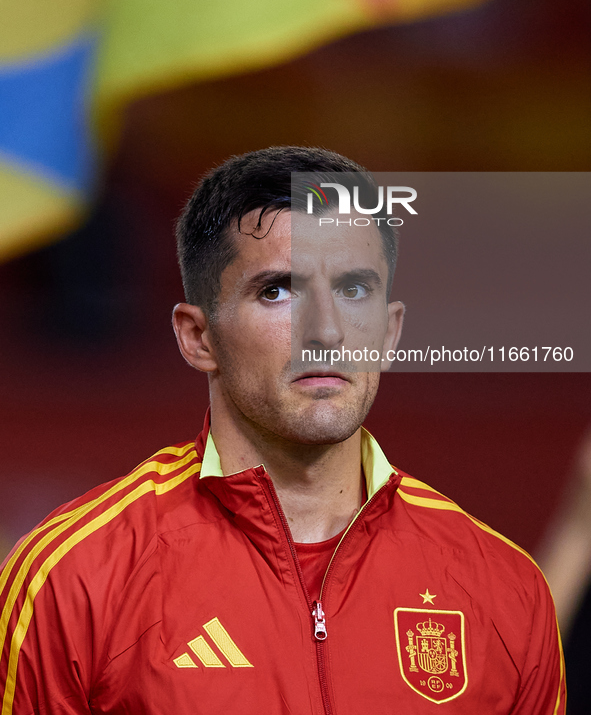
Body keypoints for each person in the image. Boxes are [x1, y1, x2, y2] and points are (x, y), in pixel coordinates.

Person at [0, 146, 565, 713]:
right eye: (277, 291)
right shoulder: (74, 577)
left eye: (354, 290)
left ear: (390, 334)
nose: (325, 331)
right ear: (198, 338)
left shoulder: (505, 586)